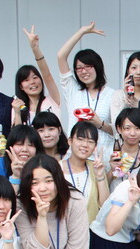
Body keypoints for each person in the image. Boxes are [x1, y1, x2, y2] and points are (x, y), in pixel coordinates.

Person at [15, 154, 92, 249]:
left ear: (58, 180)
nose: (42, 188)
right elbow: (34, 248)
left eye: (49, 181)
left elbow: (77, 247)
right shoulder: (21, 203)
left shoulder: (75, 200)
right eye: (35, 183)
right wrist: (42, 217)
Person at [57, 22, 115, 152]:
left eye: (88, 66)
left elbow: (119, 131)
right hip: (76, 156)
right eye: (79, 68)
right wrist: (81, 32)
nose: (83, 71)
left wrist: (99, 124)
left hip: (103, 156)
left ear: (97, 67)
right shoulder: (72, 90)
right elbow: (61, 57)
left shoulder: (112, 94)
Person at [12, 26, 62, 125]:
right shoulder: (18, 107)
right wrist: (17, 113)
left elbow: (47, 75)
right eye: (26, 80)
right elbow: (17, 133)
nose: (32, 82)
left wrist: (35, 49)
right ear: (21, 86)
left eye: (35, 77)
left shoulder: (52, 100)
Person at [60, 121, 108, 222]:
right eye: (80, 139)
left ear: (95, 146)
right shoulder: (56, 168)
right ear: (70, 141)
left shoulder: (96, 168)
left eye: (90, 141)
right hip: (62, 227)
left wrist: (100, 176)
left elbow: (105, 206)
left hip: (88, 228)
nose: (85, 145)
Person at [109, 107, 140, 187]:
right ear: (119, 129)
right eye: (127, 128)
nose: (132, 133)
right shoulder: (109, 153)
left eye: (137, 128)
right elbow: (100, 185)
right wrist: (112, 170)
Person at [110, 51, 140, 117]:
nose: (138, 72)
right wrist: (126, 100)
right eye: (134, 68)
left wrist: (139, 106)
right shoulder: (118, 95)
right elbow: (116, 122)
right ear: (128, 71)